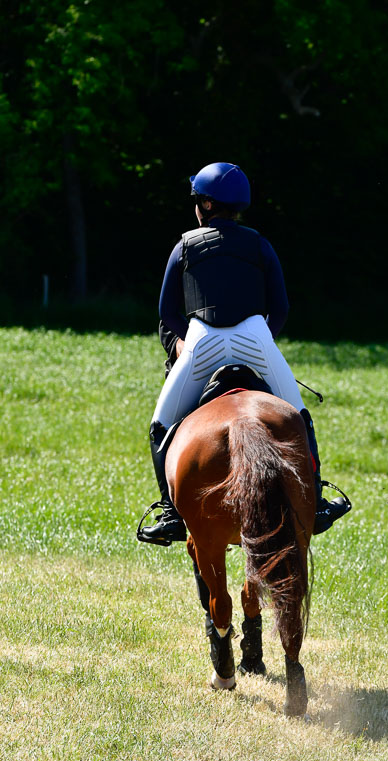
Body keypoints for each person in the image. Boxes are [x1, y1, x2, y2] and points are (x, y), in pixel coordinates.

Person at [138, 162, 350, 546]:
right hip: (256, 339)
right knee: (299, 418)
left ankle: (170, 513)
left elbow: (167, 313)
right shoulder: (260, 245)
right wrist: (262, 342)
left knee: (160, 426)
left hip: (201, 341)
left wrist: (189, 343)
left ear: (204, 203)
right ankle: (316, 502)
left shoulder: (184, 245)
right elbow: (281, 308)